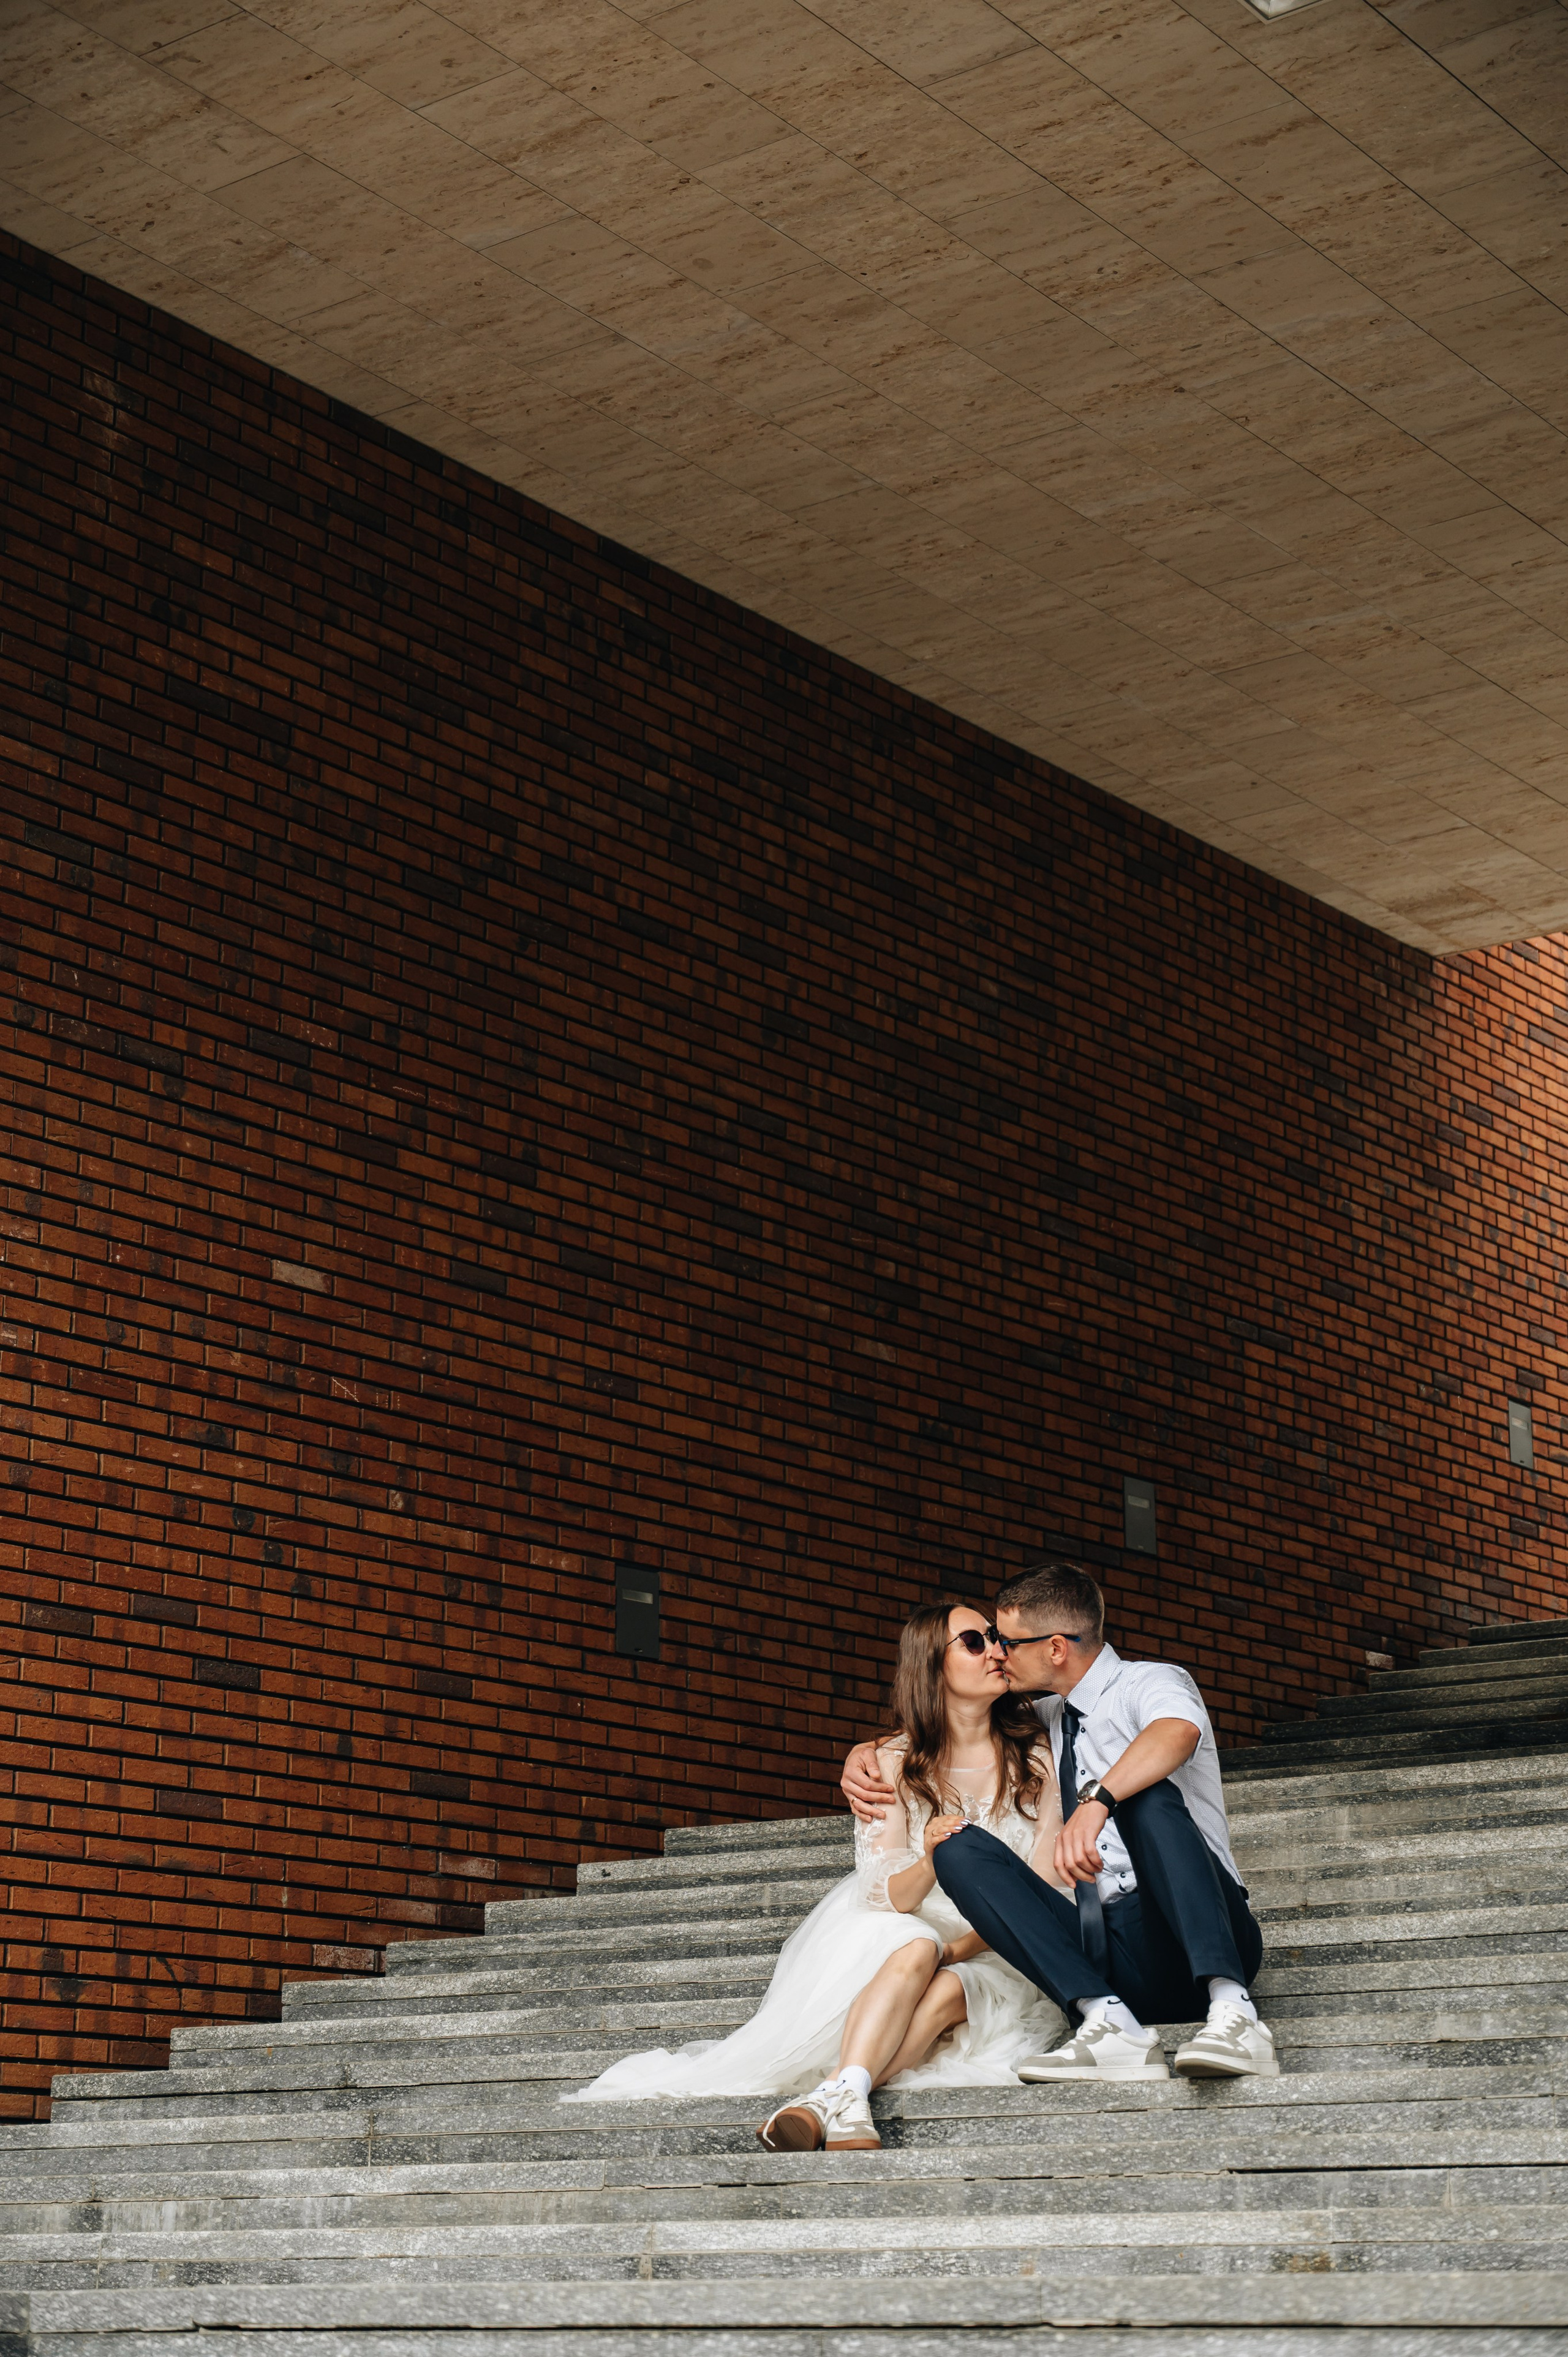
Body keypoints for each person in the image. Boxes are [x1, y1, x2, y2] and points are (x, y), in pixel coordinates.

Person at [564, 1601, 1070, 2151]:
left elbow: (1042, 1892)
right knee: (917, 1950)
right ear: (932, 1665)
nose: (997, 1650)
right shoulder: (892, 1764)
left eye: (996, 1637)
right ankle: (845, 2098)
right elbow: (888, 1897)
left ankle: (830, 2096)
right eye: (975, 1642)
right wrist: (930, 1858)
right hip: (910, 1926)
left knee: (950, 1987)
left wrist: (959, 1950)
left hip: (1005, 1943)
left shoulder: (1039, 1757)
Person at [841, 1563, 1276, 2084]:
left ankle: (1234, 2012)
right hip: (1112, 1954)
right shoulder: (1048, 1718)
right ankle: (1108, 2021)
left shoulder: (1151, 1682)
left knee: (1146, 1796)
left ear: (1054, 1648)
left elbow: (1177, 1732)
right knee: (957, 1847)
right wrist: (865, 1752)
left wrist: (1098, 1801)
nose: (998, 1653)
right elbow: (952, 1722)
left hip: (1197, 1925)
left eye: (1005, 1640)